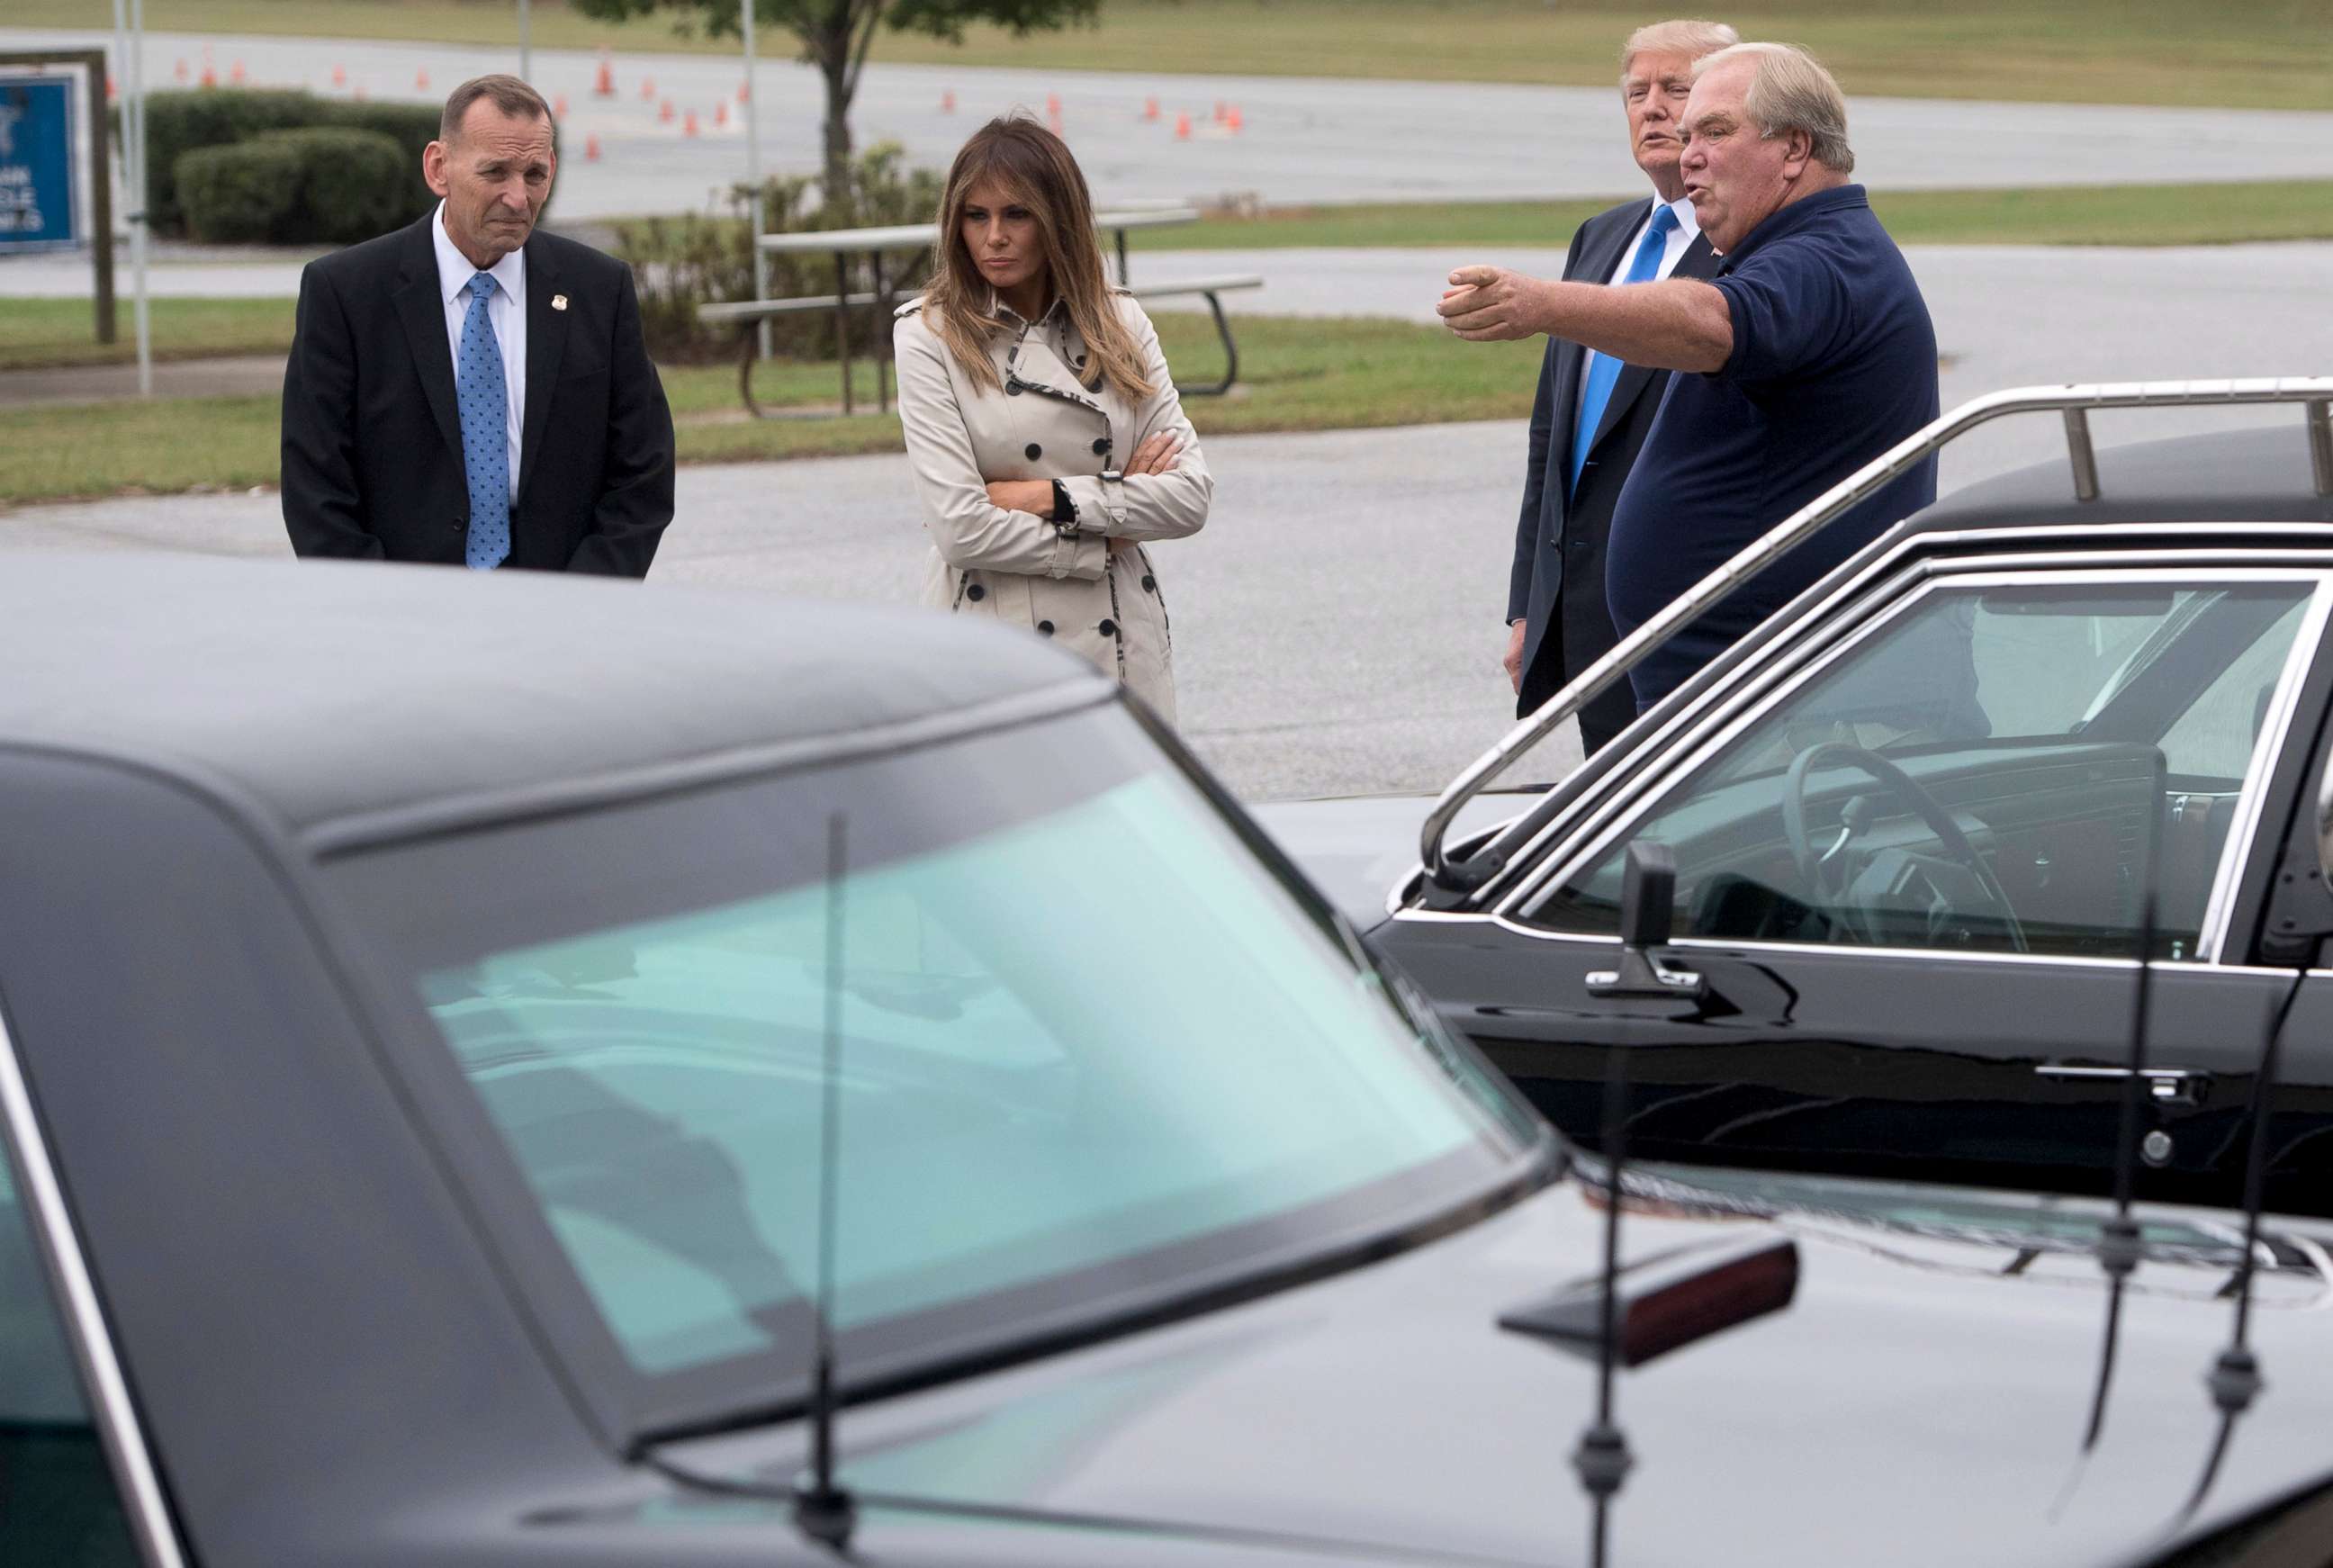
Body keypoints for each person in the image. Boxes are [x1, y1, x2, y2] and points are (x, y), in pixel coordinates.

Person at [1443, 42, 1939, 716]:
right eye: (1685, 137)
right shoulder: (1789, 248)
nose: (1688, 157)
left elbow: (1709, 321)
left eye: (1714, 132)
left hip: (1786, 698)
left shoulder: (1825, 260)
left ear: (1794, 150)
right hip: (1732, 687)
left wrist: (1541, 304)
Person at [281, 75, 675, 576]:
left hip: (563, 605)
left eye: (534, 174)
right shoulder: (346, 293)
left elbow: (644, 470)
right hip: (399, 608)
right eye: (495, 172)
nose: (518, 197)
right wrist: (378, 604)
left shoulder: (598, 289)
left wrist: (586, 598)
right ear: (438, 168)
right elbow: (314, 483)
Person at [894, 116, 1212, 721]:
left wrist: (1043, 496)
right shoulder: (927, 335)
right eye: (975, 216)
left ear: (1057, 220)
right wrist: (1106, 539)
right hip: (997, 641)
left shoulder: (1121, 324)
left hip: (1123, 641)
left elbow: (1189, 496)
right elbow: (961, 530)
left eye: (1017, 214)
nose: (994, 238)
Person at [1503, 18, 1736, 754]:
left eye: (1678, 89)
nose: (1654, 108)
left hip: (1687, 613)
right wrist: (1528, 605)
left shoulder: (1747, 253)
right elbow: (1554, 437)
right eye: (1638, 92)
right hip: (1582, 611)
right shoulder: (1601, 237)